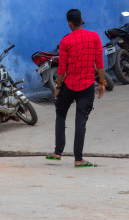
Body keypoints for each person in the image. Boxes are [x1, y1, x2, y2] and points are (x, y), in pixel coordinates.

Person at [45, 9, 105, 168]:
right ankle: (78, 159)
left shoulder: (65, 41)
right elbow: (99, 62)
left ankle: (57, 152)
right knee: (81, 120)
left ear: (70, 23)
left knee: (60, 114)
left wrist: (58, 87)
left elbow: (61, 68)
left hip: (69, 85)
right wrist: (102, 83)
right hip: (87, 86)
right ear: (82, 20)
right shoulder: (94, 37)